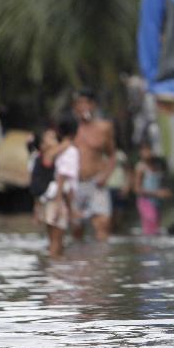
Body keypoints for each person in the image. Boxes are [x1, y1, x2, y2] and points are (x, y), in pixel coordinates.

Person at [72, 89, 116, 241]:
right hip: (75, 183)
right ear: (75, 107)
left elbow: (112, 155)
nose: (84, 107)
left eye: (87, 103)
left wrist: (105, 176)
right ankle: (81, 262)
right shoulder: (70, 129)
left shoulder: (104, 128)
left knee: (103, 223)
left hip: (96, 182)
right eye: (80, 103)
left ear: (93, 105)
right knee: (76, 228)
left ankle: (102, 263)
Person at [38, 114, 80, 257]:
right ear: (76, 131)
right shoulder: (71, 151)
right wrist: (63, 205)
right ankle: (54, 274)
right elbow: (63, 177)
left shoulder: (58, 150)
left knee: (54, 240)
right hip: (59, 199)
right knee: (56, 241)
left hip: (52, 198)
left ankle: (53, 272)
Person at [28, 128, 71, 221]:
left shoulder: (38, 156)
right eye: (51, 138)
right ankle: (72, 210)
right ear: (42, 143)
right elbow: (66, 144)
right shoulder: (48, 154)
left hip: (40, 192)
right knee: (67, 186)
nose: (53, 141)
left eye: (54, 138)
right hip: (45, 190)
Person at [134, 141, 172, 235]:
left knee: (156, 228)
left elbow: (160, 184)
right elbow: (137, 189)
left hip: (157, 202)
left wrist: (165, 192)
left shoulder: (158, 166)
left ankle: (152, 248)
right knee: (150, 225)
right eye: (145, 150)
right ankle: (147, 248)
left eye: (149, 150)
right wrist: (157, 193)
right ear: (140, 153)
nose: (148, 153)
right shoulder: (141, 168)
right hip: (145, 202)